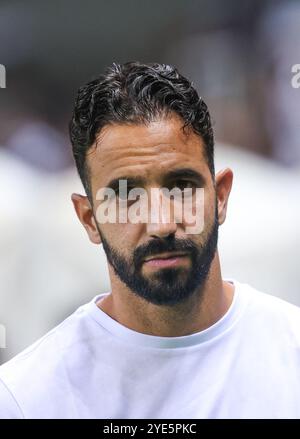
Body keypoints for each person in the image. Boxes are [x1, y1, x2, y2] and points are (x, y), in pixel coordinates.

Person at [0, 61, 299, 419]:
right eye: (127, 196)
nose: (160, 222)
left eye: (181, 187)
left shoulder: (291, 352)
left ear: (220, 197)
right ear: (89, 219)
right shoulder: (27, 397)